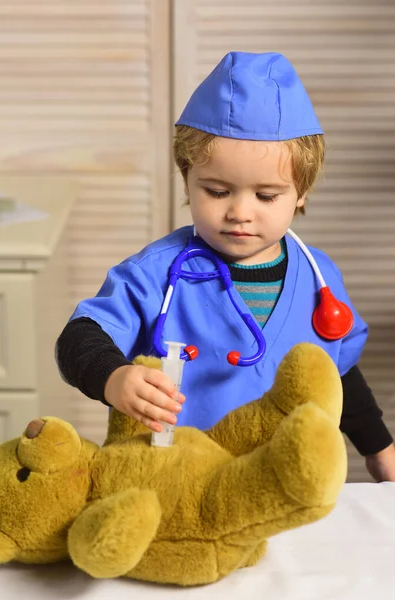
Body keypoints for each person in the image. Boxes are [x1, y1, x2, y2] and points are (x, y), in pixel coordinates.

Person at [56, 51, 395, 481]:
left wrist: (379, 449)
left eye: (266, 196)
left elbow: (337, 371)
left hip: (285, 486)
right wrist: (114, 377)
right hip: (182, 485)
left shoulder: (319, 276)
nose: (240, 212)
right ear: (187, 181)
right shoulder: (155, 273)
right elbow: (77, 338)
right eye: (217, 191)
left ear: (301, 192)